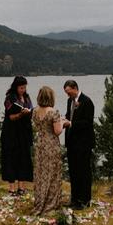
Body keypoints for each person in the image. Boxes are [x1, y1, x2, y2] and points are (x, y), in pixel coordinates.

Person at [30, 85, 66, 215]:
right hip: (51, 144)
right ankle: (50, 203)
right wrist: (63, 123)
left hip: (40, 143)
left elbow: (38, 126)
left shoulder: (34, 111)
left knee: (40, 173)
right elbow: (57, 131)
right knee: (52, 173)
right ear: (51, 97)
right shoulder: (53, 112)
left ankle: (40, 201)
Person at [63, 80, 96, 209]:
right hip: (71, 142)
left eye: (69, 92)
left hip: (83, 143)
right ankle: (74, 199)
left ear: (75, 88)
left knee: (84, 172)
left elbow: (88, 123)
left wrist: (71, 124)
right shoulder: (69, 101)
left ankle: (85, 200)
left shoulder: (87, 101)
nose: (68, 95)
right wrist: (64, 120)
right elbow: (69, 115)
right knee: (73, 172)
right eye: (66, 93)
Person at [0, 76, 34, 195]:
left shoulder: (27, 97)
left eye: (24, 87)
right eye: (21, 87)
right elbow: (11, 117)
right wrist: (21, 114)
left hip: (24, 132)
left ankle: (22, 186)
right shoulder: (9, 99)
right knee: (11, 157)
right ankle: (12, 187)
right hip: (11, 133)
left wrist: (29, 112)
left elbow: (31, 110)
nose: (23, 90)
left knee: (24, 157)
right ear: (15, 87)